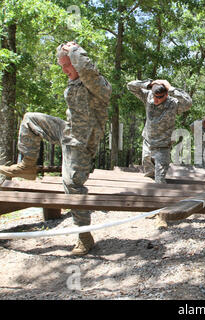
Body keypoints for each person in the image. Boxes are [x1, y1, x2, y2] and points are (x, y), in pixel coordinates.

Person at [0, 42, 112, 255]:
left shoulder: (98, 85)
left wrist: (75, 50)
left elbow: (88, 70)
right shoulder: (73, 83)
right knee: (30, 120)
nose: (64, 70)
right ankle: (27, 166)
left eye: (67, 65)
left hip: (82, 142)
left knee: (71, 184)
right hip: (67, 130)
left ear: (79, 63)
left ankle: (85, 236)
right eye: (61, 66)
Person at [127, 78, 192, 228]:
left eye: (160, 97)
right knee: (149, 176)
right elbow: (130, 86)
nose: (156, 101)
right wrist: (149, 84)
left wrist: (171, 87)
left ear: (166, 95)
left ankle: (161, 215)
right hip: (147, 144)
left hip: (162, 147)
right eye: (155, 97)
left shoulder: (173, 103)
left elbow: (188, 103)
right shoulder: (148, 95)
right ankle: (152, 206)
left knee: (160, 180)